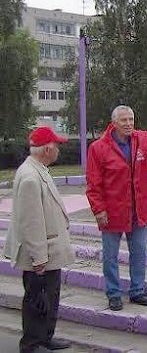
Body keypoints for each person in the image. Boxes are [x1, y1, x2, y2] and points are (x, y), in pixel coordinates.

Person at [86, 105, 147, 311]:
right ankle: (113, 293)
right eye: (124, 120)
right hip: (112, 212)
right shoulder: (98, 148)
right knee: (110, 256)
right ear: (114, 123)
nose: (129, 124)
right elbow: (93, 184)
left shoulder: (144, 139)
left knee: (139, 252)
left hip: (139, 210)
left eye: (131, 119)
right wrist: (98, 210)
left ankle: (137, 290)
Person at [3, 126, 74, 353]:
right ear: (47, 149)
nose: (58, 151)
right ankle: (32, 344)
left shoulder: (38, 169)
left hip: (49, 249)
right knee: (37, 299)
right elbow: (31, 223)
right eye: (57, 146)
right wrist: (39, 258)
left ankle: (45, 338)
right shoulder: (30, 177)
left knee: (50, 297)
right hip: (41, 253)